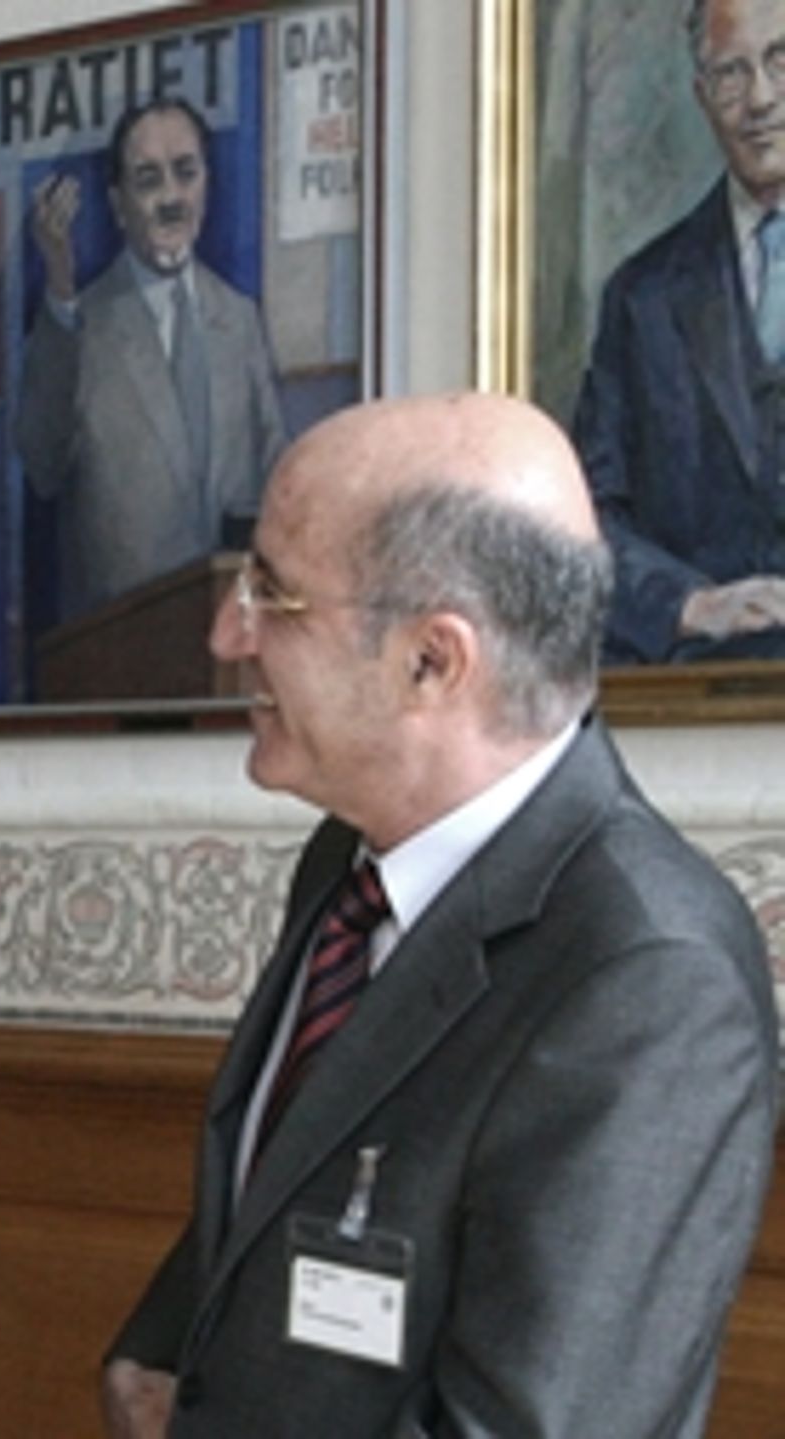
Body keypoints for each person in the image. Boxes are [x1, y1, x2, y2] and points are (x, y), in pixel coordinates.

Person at [101, 391, 777, 1437]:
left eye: (270, 596)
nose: (225, 632)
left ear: (432, 659)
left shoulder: (649, 971)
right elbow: (284, 1190)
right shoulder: (347, 860)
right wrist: (154, 1363)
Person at [15, 96, 288, 621]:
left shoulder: (240, 319)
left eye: (185, 174)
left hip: (232, 646)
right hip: (121, 652)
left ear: (207, 183)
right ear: (118, 205)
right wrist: (60, 291)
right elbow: (42, 464)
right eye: (148, 180)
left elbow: (274, 472)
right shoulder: (80, 325)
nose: (171, 198)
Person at [572, 0, 785, 662]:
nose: (760, 98)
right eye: (730, 73)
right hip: (691, 706)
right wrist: (689, 606)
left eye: (782, 61)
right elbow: (585, 517)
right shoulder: (644, 297)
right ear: (700, 95)